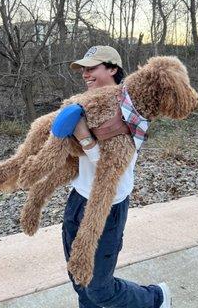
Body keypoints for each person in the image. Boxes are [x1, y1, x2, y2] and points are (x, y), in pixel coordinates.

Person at [61, 45, 172, 308]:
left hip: (108, 207)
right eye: (83, 69)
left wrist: (84, 137)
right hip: (78, 199)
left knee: (100, 289)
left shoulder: (132, 109)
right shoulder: (82, 104)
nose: (86, 74)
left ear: (112, 69)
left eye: (92, 68)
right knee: (78, 278)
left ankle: (156, 297)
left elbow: (113, 168)